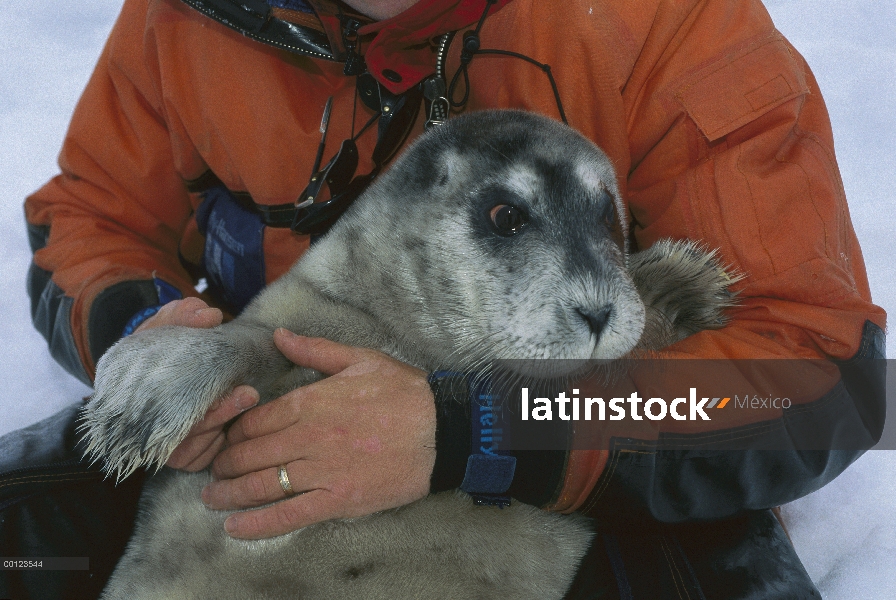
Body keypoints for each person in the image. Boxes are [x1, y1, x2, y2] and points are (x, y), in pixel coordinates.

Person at [1, 0, 886, 598]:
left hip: (574, 463)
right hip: (259, 431)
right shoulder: (187, 17)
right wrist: (149, 334)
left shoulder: (664, 25)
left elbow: (813, 376)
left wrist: (475, 434)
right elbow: (90, 214)